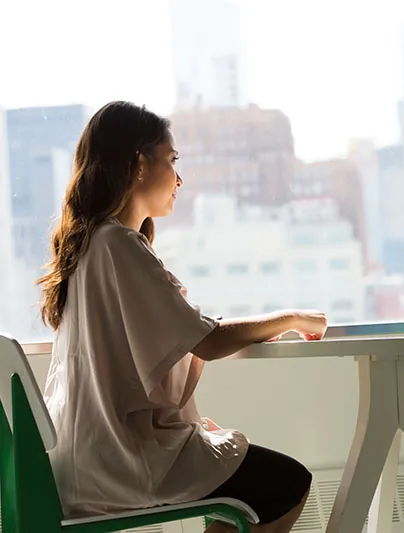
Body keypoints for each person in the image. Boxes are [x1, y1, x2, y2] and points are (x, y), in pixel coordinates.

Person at [38, 101, 327, 533]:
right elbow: (205, 340)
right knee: (287, 484)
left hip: (87, 457)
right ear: (139, 163)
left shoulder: (88, 246)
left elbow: (172, 339)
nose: (179, 178)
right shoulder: (117, 245)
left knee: (247, 494)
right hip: (122, 461)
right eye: (172, 160)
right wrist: (291, 318)